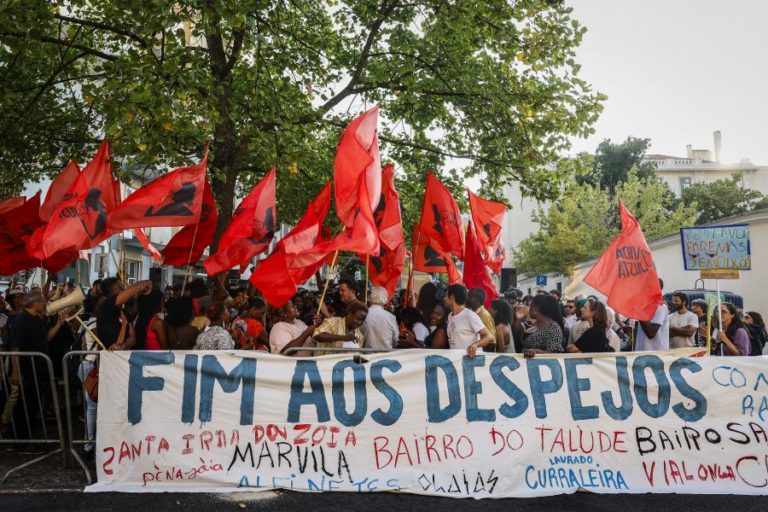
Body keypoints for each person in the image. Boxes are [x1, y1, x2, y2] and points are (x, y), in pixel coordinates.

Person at [96, 277, 152, 349]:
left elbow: (132, 337)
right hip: (108, 356)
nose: (124, 290)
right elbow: (138, 287)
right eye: (121, 288)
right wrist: (146, 283)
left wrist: (124, 345)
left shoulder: (123, 312)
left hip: (121, 356)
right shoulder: (105, 306)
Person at [444, 284, 494, 357]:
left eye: (445, 296)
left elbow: (490, 337)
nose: (444, 298)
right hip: (457, 361)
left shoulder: (469, 315)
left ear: (452, 297)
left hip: (471, 362)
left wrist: (475, 345)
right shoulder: (450, 316)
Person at [361, 286, 398, 350]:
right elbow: (395, 340)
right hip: (386, 354)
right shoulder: (391, 317)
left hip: (367, 355)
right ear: (385, 299)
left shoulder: (362, 315)